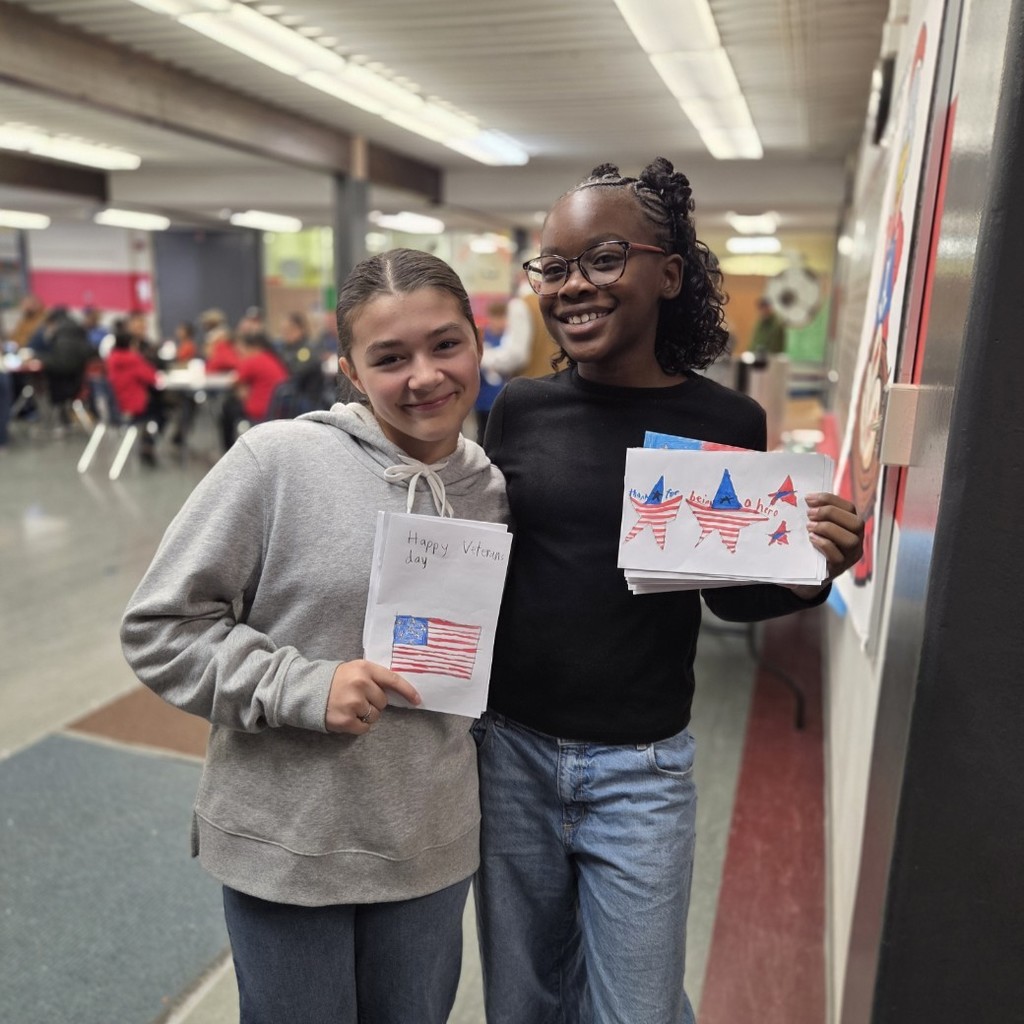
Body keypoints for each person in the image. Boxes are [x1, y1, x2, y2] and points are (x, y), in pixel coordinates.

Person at [474, 158, 864, 1024]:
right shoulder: (521, 411)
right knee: (523, 1002)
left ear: (671, 273)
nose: (574, 285)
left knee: (638, 1010)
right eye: (555, 267)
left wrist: (810, 569)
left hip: (641, 771)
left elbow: (731, 596)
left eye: (605, 259)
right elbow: (486, 565)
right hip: (512, 757)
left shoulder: (725, 423)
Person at [120, 248, 508, 1024]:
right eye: (389, 357)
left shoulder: (492, 489)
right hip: (288, 846)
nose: (424, 376)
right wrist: (302, 685)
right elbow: (160, 627)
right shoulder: (278, 462)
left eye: (444, 345)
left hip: (428, 843)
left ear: (477, 341)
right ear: (352, 371)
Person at [219, 330, 289, 450]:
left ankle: (228, 450)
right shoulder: (272, 358)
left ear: (251, 347)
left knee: (227, 408)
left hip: (261, 410)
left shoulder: (254, 360)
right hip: (278, 408)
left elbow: (234, 382)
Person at [105, 330, 161, 466]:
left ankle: (147, 442)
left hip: (116, 407)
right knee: (161, 410)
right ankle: (148, 444)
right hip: (134, 406)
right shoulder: (133, 359)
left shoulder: (111, 359)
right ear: (131, 344)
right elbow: (152, 378)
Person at [475, 299, 508, 440]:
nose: (500, 322)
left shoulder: (509, 339)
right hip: (484, 401)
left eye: (503, 317)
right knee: (484, 436)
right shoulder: (483, 337)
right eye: (496, 317)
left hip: (504, 399)